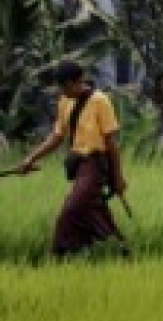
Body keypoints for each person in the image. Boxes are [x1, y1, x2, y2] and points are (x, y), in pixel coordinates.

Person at [18, 61, 129, 257]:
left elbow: (111, 144)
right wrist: (31, 158)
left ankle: (58, 255)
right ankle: (120, 250)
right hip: (78, 166)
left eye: (65, 86)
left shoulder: (100, 101)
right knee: (92, 210)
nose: (63, 91)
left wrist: (117, 177)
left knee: (72, 209)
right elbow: (57, 137)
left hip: (95, 164)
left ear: (77, 82)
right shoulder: (64, 101)